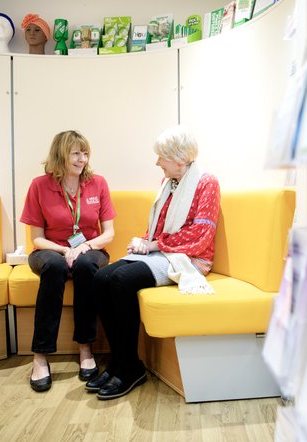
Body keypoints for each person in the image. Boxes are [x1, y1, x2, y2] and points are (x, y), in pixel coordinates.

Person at [85, 125, 220, 400]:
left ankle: (129, 367)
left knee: (123, 281)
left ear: (180, 159)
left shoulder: (207, 183)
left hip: (189, 258)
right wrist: (143, 241)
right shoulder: (168, 184)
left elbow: (201, 236)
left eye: (161, 157)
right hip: (163, 252)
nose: (157, 162)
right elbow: (158, 228)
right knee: (100, 279)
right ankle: (122, 362)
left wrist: (153, 245)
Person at [20, 130, 116, 392]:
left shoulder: (98, 183)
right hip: (50, 250)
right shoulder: (39, 185)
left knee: (86, 266)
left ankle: (86, 349)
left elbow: (108, 233)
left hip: (90, 248)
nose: (82, 158)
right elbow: (37, 239)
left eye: (85, 153)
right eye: (75, 153)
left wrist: (83, 246)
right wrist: (65, 251)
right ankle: (40, 356)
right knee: (55, 266)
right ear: (60, 154)